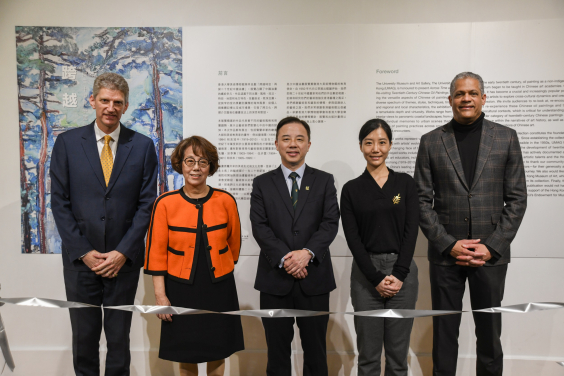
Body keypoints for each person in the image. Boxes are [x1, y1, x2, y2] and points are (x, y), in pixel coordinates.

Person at [414, 72, 527, 376]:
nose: (466, 99)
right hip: (445, 256)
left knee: (489, 334)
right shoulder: (431, 142)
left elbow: (517, 199)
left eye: (473, 93)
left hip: (489, 257)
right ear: (450, 100)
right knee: (445, 333)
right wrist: (448, 244)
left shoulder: (506, 137)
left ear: (483, 98)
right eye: (460, 94)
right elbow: (421, 202)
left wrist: (492, 247)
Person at [50, 72, 158, 376]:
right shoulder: (68, 143)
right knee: (83, 339)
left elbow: (146, 205)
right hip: (81, 261)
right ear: (92, 101)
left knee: (118, 339)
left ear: (125, 107)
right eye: (105, 100)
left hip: (123, 263)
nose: (111, 107)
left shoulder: (142, 146)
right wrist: (84, 251)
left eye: (118, 103)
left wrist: (123, 252)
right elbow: (59, 202)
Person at [144, 136, 244, 376]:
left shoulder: (226, 200)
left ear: (211, 166)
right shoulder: (165, 203)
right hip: (180, 289)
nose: (196, 168)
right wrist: (161, 296)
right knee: (185, 353)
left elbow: (234, 244)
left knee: (218, 351)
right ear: (180, 164)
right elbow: (155, 253)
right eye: (190, 161)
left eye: (203, 162)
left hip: (219, 288)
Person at [250, 116, 340, 376]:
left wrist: (306, 254)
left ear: (309, 144)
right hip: (274, 280)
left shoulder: (324, 180)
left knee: (315, 353)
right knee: (277, 354)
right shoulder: (262, 183)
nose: (293, 144)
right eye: (286, 139)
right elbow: (260, 227)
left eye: (299, 139)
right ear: (276, 143)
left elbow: (330, 222)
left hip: (315, 280)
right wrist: (287, 259)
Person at [341, 119, 419, 376]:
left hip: (403, 273)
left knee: (398, 356)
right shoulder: (351, 189)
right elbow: (353, 239)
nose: (376, 148)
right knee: (369, 356)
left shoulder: (405, 184)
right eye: (369, 142)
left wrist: (398, 274)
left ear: (390, 145)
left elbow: (411, 232)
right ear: (361, 146)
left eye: (382, 142)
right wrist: (375, 277)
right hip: (366, 275)